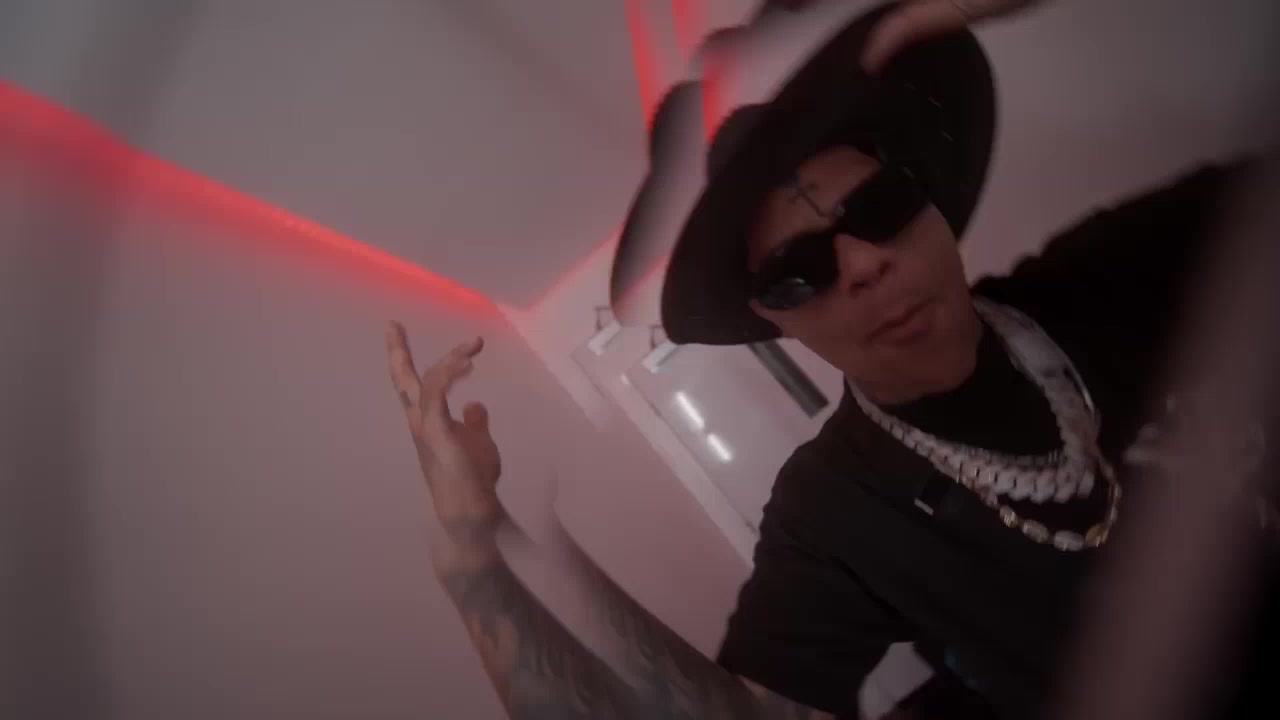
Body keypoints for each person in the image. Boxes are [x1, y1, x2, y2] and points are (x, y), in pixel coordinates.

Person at [384, 2, 1273, 718]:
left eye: (878, 207)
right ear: (771, 318)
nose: (862, 263)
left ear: (928, 199)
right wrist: (473, 554)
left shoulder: (1100, 277)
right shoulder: (832, 515)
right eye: (797, 270)